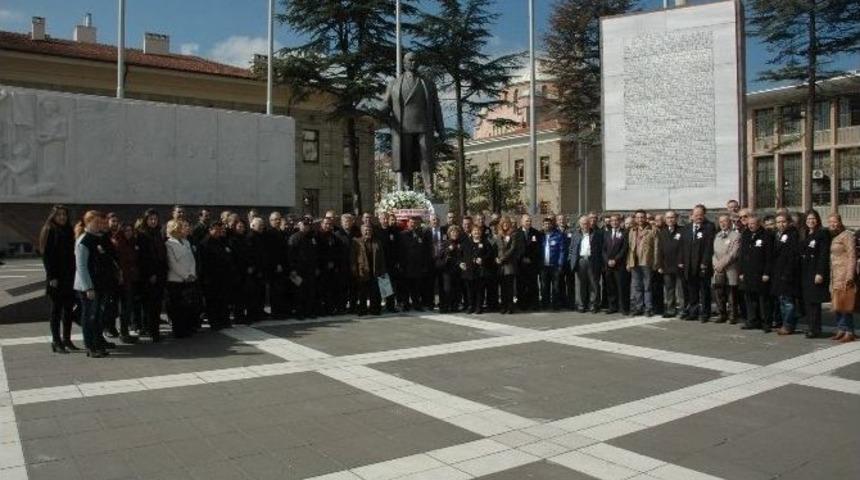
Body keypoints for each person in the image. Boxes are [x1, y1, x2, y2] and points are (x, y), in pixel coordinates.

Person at [74, 211, 116, 358]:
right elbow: (82, 267)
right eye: (96, 222)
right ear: (87, 222)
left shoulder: (98, 238)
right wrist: (88, 287)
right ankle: (90, 346)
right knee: (89, 317)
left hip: (100, 284)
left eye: (100, 222)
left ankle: (98, 342)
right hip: (89, 287)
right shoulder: (84, 241)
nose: (99, 225)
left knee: (98, 316)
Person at [39, 205, 78, 353]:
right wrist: (52, 276)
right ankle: (56, 341)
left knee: (68, 310)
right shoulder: (49, 230)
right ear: (53, 216)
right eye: (59, 215)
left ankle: (67, 339)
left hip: (69, 276)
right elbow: (46, 256)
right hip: (56, 277)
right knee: (56, 310)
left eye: (64, 215)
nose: (62, 217)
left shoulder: (68, 230)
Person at [136, 209, 167, 342]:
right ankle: (152, 331)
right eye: (150, 219)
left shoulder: (158, 233)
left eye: (155, 219)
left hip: (160, 272)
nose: (153, 221)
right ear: (146, 220)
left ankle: (154, 329)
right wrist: (151, 273)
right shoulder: (143, 235)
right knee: (150, 305)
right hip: (149, 274)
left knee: (157, 304)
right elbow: (144, 257)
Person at [680, 205, 715, 321]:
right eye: (696, 215)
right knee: (692, 291)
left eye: (700, 215)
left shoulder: (709, 227)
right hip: (689, 266)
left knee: (704, 291)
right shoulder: (686, 228)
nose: (698, 217)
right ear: (692, 215)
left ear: (704, 215)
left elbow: (709, 247)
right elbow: (682, 247)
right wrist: (681, 261)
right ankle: (693, 312)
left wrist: (705, 262)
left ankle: (705, 314)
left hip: (702, 265)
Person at [739, 215, 773, 332]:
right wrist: (741, 271)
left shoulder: (766, 235)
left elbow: (769, 256)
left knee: (763, 300)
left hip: (760, 273)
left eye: (752, 224)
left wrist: (766, 272)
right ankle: (752, 320)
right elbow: (742, 255)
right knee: (749, 298)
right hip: (748, 273)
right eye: (749, 224)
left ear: (759, 223)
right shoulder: (745, 234)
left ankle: (766, 322)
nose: (750, 226)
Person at [165, 219, 198, 338]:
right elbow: (172, 263)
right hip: (176, 279)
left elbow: (192, 259)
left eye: (180, 227)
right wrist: (185, 275)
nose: (180, 230)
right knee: (176, 307)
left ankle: (186, 328)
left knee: (187, 306)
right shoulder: (169, 243)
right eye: (177, 228)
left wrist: (192, 273)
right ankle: (178, 330)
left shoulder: (186, 242)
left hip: (189, 278)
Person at [800, 210, 830, 338]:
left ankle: (815, 329)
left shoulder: (822, 233)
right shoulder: (806, 234)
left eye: (813, 218)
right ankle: (811, 327)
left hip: (815, 271)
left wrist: (820, 273)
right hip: (805, 272)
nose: (811, 221)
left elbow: (823, 255)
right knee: (808, 301)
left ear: (817, 220)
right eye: (808, 219)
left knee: (814, 302)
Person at [198, 221, 233, 331]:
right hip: (211, 277)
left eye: (220, 230)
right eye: (216, 230)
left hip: (222, 276)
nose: (218, 232)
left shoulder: (220, 241)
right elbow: (203, 262)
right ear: (210, 230)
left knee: (222, 300)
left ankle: (223, 320)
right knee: (212, 302)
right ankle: (214, 322)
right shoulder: (205, 243)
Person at [828, 214, 856, 343]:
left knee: (846, 303)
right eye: (830, 222)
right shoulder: (835, 236)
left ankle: (849, 331)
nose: (832, 224)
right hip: (835, 275)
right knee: (837, 303)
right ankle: (840, 329)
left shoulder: (847, 235)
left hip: (844, 274)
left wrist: (850, 275)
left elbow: (852, 256)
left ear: (840, 221)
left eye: (834, 221)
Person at [773, 214, 801, 335]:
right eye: (778, 222)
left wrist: (787, 273)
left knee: (788, 301)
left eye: (783, 221)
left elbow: (792, 256)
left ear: (788, 222)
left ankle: (788, 325)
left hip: (787, 273)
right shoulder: (778, 235)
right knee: (782, 299)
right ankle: (786, 323)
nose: (781, 224)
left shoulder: (792, 234)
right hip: (779, 273)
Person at [112, 223, 141, 342]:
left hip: (132, 278)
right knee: (124, 307)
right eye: (126, 231)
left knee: (129, 306)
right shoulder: (118, 243)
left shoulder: (133, 242)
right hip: (123, 280)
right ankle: (123, 332)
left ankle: (125, 331)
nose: (128, 233)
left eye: (130, 230)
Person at [397, 216, 433, 311]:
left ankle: (416, 304)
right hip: (406, 265)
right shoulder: (402, 235)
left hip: (418, 266)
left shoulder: (421, 234)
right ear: (408, 223)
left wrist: (424, 264)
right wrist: (400, 264)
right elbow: (399, 251)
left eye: (415, 222)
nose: (413, 224)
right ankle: (406, 304)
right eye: (411, 222)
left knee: (416, 287)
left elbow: (425, 250)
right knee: (405, 287)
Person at [570, 215, 603, 313]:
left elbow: (600, 249)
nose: (585, 225)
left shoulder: (596, 234)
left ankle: (593, 305)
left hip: (592, 260)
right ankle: (581, 305)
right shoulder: (575, 234)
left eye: (587, 223)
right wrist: (571, 260)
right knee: (580, 284)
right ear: (580, 224)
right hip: (580, 261)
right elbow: (571, 248)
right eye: (583, 224)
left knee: (594, 283)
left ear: (590, 224)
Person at [626, 209, 657, 317]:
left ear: (645, 218)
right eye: (638, 217)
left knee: (647, 286)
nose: (640, 219)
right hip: (634, 262)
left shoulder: (652, 230)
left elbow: (656, 248)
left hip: (646, 262)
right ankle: (638, 307)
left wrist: (655, 262)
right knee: (637, 286)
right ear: (635, 218)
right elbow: (629, 248)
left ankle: (648, 308)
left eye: (642, 217)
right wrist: (628, 263)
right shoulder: (632, 230)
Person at [351, 224, 386, 315]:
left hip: (375, 270)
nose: (368, 232)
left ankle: (375, 310)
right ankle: (362, 310)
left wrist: (383, 270)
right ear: (362, 231)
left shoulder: (377, 242)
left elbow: (382, 257)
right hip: (362, 271)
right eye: (366, 230)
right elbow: (353, 257)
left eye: (370, 230)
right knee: (362, 292)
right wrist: (354, 270)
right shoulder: (356, 241)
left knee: (375, 292)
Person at [712, 215, 740, 324]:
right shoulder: (717, 236)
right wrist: (717, 265)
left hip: (730, 268)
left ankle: (733, 315)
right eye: (721, 222)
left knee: (731, 293)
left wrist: (722, 264)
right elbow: (714, 253)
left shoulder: (736, 236)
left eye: (725, 221)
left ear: (730, 222)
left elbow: (734, 253)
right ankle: (721, 314)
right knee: (719, 292)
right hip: (718, 269)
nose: (723, 223)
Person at [288, 218, 319, 320]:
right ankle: (299, 313)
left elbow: (315, 254)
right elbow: (291, 255)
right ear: (299, 225)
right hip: (298, 270)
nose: (306, 227)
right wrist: (292, 269)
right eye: (304, 225)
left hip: (310, 270)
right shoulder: (294, 238)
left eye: (308, 225)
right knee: (299, 292)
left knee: (310, 292)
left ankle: (309, 312)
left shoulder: (312, 238)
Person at [655, 211, 684, 318]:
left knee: (680, 290)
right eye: (668, 218)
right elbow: (660, 250)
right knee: (669, 289)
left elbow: (683, 248)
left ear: (676, 218)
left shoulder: (682, 230)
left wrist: (682, 262)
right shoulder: (662, 232)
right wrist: (659, 265)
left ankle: (682, 309)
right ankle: (670, 309)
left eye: (672, 217)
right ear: (665, 220)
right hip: (666, 265)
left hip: (679, 265)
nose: (670, 220)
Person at [494, 216, 523, 314]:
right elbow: (497, 249)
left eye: (507, 223)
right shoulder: (498, 235)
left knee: (509, 287)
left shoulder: (513, 234)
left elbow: (512, 248)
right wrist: (497, 258)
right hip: (500, 266)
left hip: (509, 264)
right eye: (503, 223)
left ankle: (510, 306)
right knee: (502, 287)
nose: (505, 225)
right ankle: (503, 306)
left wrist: (502, 258)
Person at [461, 225, 493, 314]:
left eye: (478, 231)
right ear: (471, 232)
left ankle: (479, 306)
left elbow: (490, 255)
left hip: (480, 271)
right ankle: (471, 306)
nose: (476, 232)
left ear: (481, 232)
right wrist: (461, 263)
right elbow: (461, 255)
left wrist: (483, 259)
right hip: (469, 271)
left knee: (480, 290)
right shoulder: (466, 243)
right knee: (470, 290)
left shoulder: (485, 243)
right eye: (474, 231)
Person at [603, 214, 629, 315]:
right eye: (612, 221)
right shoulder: (607, 233)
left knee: (621, 287)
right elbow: (603, 249)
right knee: (610, 286)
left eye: (616, 220)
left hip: (619, 265)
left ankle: (623, 307)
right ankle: (612, 306)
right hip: (608, 265)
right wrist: (607, 260)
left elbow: (624, 249)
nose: (614, 222)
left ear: (620, 221)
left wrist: (615, 260)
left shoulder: (624, 233)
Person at [318, 217, 345, 315]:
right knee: (321, 290)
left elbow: (337, 252)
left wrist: (334, 262)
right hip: (321, 268)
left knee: (331, 290)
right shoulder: (317, 236)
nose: (328, 226)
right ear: (321, 224)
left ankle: (330, 308)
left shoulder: (333, 237)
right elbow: (317, 253)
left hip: (332, 269)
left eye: (330, 224)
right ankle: (321, 310)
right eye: (326, 224)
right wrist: (324, 263)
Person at [265, 211, 289, 316]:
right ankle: (276, 312)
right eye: (275, 219)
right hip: (275, 266)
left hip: (284, 265)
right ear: (270, 221)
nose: (278, 221)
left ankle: (282, 310)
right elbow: (271, 252)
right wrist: (277, 264)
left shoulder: (282, 232)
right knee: (275, 290)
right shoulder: (269, 233)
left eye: (279, 219)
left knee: (282, 289)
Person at [517, 214, 542, 311]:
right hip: (520, 265)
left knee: (533, 285)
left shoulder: (536, 233)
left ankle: (534, 305)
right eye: (527, 221)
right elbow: (515, 248)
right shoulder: (516, 233)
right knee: (521, 286)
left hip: (532, 264)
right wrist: (522, 258)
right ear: (521, 221)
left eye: (530, 221)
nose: (529, 223)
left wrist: (531, 259)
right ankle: (522, 305)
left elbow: (538, 248)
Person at [540, 217, 566, 310]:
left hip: (555, 266)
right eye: (545, 224)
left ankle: (555, 305)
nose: (547, 225)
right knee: (544, 287)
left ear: (552, 224)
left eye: (548, 224)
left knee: (556, 287)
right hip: (543, 266)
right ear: (542, 225)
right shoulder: (540, 236)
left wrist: (560, 264)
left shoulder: (558, 235)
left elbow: (562, 251)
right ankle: (545, 305)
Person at [440, 226, 464, 313]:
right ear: (449, 234)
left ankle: (455, 306)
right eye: (453, 232)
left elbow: (463, 255)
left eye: (456, 232)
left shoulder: (461, 243)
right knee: (447, 289)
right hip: (447, 270)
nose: (454, 234)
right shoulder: (445, 243)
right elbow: (440, 254)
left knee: (457, 289)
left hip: (458, 270)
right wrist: (448, 249)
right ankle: (445, 306)